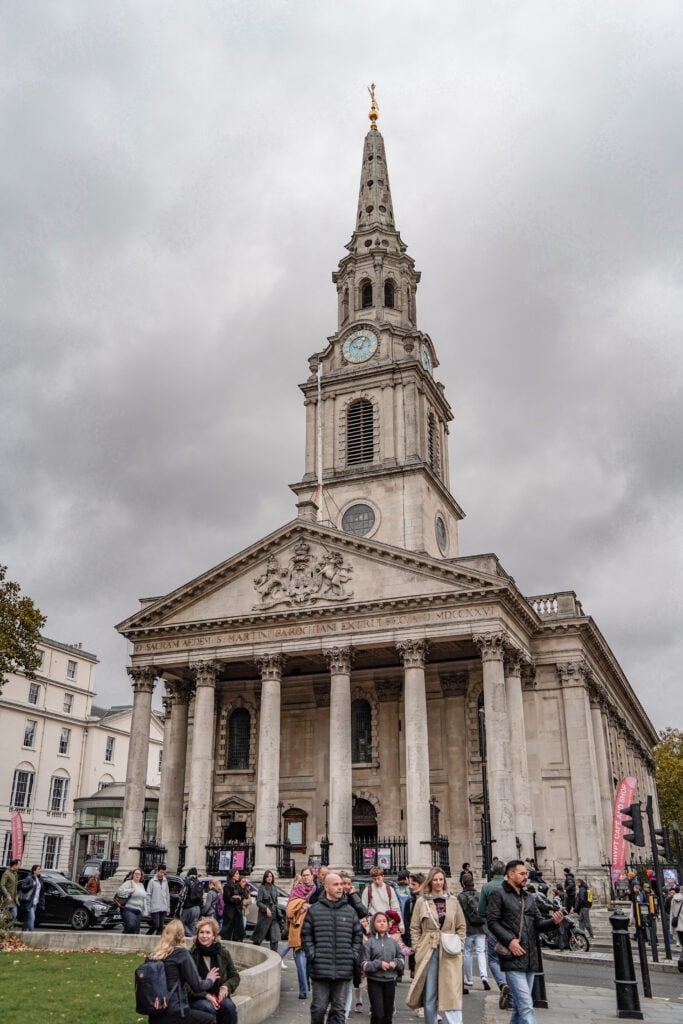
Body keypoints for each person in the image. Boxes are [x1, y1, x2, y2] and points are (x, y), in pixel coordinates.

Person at [487, 860, 564, 1024]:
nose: (526, 877)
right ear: (510, 874)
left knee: (519, 1008)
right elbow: (492, 922)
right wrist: (509, 941)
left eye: (526, 874)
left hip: (529, 958)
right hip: (512, 958)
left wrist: (553, 922)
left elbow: (538, 924)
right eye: (522, 874)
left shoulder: (529, 897)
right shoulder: (498, 894)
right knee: (527, 1006)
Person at [406, 866, 467, 1024]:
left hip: (449, 950)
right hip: (428, 948)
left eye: (441, 879)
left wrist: (459, 944)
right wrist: (418, 947)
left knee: (452, 991)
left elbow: (461, 926)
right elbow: (414, 927)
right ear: (430, 881)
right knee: (430, 991)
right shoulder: (422, 901)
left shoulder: (453, 901)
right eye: (435, 880)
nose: (438, 882)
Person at [301, 871, 363, 1024]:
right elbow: (306, 935)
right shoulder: (314, 910)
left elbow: (358, 935)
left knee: (338, 1012)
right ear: (326, 887)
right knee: (318, 1009)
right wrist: (312, 955)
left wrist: (353, 955)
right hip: (321, 969)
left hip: (343, 968)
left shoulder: (350, 911)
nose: (340, 887)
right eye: (336, 884)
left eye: (341, 884)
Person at [146, 918, 220, 1023]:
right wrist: (210, 980)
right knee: (210, 1020)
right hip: (175, 1012)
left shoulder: (152, 955)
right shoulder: (181, 954)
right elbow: (198, 986)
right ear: (181, 935)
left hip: (154, 1011)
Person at [188, 916, 240, 1024]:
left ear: (214, 936)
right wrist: (205, 995)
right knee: (208, 1008)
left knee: (229, 1007)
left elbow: (234, 976)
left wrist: (226, 986)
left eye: (208, 933)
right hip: (198, 997)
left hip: (218, 994)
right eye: (201, 932)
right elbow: (186, 985)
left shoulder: (223, 953)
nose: (204, 936)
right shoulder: (191, 955)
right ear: (197, 935)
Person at [362, 911, 405, 1024]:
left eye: (384, 921)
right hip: (374, 982)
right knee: (378, 1014)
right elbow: (364, 964)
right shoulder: (369, 943)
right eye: (379, 921)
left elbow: (401, 959)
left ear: (388, 924)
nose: (382, 923)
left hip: (390, 981)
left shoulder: (393, 942)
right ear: (373, 924)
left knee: (388, 1015)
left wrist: (395, 963)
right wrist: (378, 964)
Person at [478, 859, 509, 1007]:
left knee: (493, 959)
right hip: (510, 928)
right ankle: (512, 987)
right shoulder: (510, 886)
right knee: (510, 959)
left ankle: (502, 984)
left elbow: (481, 911)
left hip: (493, 928)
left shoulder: (487, 887)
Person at [340, 870, 370, 1015]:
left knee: (357, 973)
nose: (346, 886)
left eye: (348, 884)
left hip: (355, 939)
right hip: (342, 940)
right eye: (343, 883)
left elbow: (363, 912)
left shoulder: (354, 896)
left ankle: (355, 1002)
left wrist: (353, 895)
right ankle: (342, 1007)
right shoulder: (336, 898)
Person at [286, 867, 317, 997]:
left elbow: (322, 907)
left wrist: (309, 906)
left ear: (312, 876)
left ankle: (308, 984)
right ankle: (303, 990)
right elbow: (289, 911)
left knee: (310, 963)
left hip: (313, 930)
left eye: (307, 875)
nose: (305, 877)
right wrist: (300, 905)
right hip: (298, 930)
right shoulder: (296, 890)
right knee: (300, 964)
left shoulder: (317, 890)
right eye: (303, 875)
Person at [457, 872, 489, 992]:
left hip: (468, 928)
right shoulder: (479, 895)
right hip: (480, 927)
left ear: (462, 883)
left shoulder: (460, 897)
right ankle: (484, 976)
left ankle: (469, 979)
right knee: (481, 952)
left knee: (468, 953)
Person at [252, 869, 282, 951]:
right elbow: (258, 902)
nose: (269, 878)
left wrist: (279, 914)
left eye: (271, 876)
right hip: (264, 917)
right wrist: (266, 908)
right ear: (265, 878)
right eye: (268, 876)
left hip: (274, 916)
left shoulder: (274, 888)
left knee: (275, 938)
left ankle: (274, 957)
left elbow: (276, 903)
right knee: (258, 939)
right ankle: (253, 953)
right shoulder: (262, 888)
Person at [116, 866, 149, 934]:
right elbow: (119, 891)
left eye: (139, 874)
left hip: (138, 911)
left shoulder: (141, 885)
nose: (137, 875)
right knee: (131, 926)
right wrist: (129, 890)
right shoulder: (129, 882)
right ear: (133, 875)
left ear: (141, 876)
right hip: (129, 909)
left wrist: (145, 910)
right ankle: (124, 936)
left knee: (136, 931)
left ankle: (128, 942)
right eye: (136, 873)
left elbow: (144, 898)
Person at [147, 863, 171, 935]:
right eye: (161, 872)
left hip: (163, 907)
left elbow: (167, 895)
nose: (162, 874)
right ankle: (147, 936)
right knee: (155, 925)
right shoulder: (152, 881)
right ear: (157, 871)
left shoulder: (165, 881)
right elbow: (148, 895)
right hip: (155, 907)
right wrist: (148, 908)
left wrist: (168, 908)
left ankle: (158, 942)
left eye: (163, 872)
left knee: (161, 927)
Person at [221, 870, 245, 941]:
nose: (238, 875)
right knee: (227, 929)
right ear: (232, 875)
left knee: (238, 931)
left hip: (238, 911)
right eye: (237, 874)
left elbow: (242, 895)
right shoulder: (227, 886)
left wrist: (237, 897)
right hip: (230, 911)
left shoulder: (237, 885)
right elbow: (227, 899)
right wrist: (236, 898)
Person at [181, 868, 205, 938]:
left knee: (181, 923)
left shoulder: (187, 882)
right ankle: (192, 940)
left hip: (187, 907)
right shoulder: (199, 883)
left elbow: (182, 895)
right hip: (197, 908)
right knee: (193, 925)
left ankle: (189, 936)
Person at [18, 864, 44, 931]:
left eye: (40, 869)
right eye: (38, 869)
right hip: (29, 901)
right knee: (32, 918)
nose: (40, 870)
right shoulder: (29, 878)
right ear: (34, 871)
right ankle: (31, 933)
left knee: (28, 918)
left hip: (35, 902)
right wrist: (31, 885)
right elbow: (22, 887)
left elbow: (41, 892)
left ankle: (23, 931)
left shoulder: (40, 879)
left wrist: (42, 903)